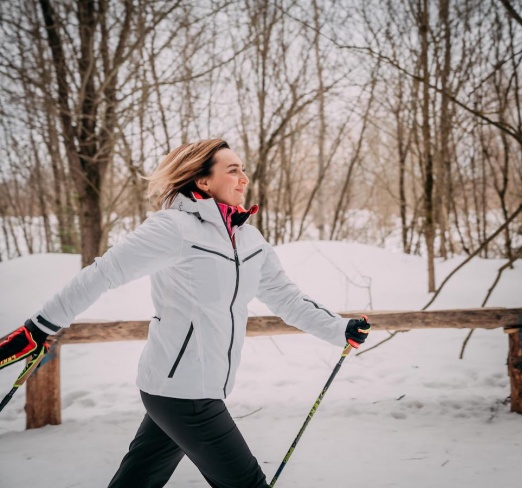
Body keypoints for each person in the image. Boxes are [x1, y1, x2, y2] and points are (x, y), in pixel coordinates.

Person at [0, 139, 371, 487]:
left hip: (188, 389)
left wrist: (338, 329)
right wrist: (39, 327)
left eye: (243, 169)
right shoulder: (174, 228)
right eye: (232, 170)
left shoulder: (249, 240)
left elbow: (286, 297)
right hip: (185, 393)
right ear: (203, 180)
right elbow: (103, 273)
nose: (244, 178)